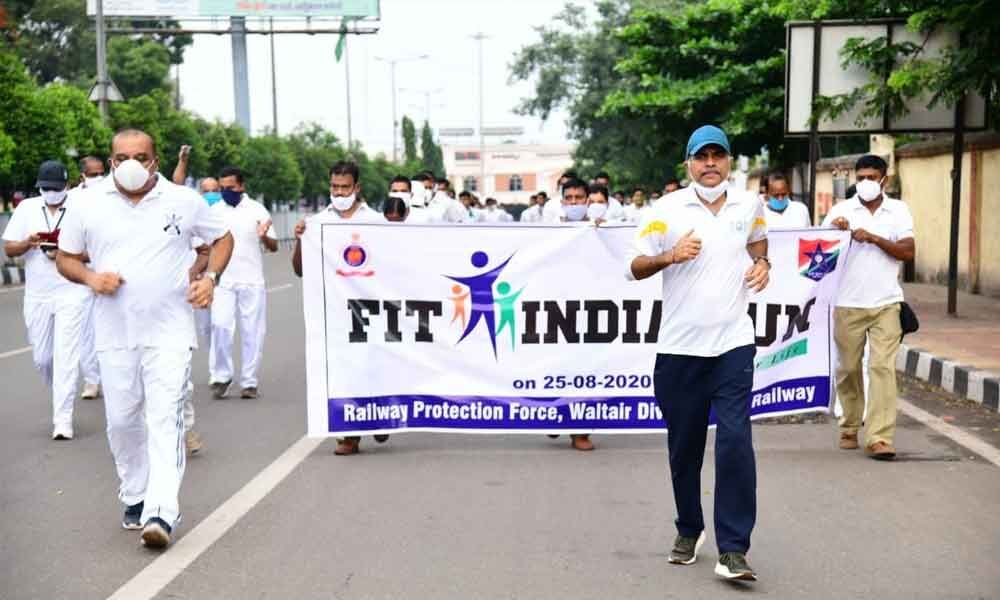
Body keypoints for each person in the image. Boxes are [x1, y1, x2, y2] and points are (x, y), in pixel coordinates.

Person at [56, 128, 234, 549]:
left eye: (140, 156)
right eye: (122, 157)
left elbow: (222, 238)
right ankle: (134, 495)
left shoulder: (182, 200)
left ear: (156, 159)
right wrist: (91, 277)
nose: (131, 164)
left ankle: (161, 510)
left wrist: (210, 277)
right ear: (111, 160)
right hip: (114, 333)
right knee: (121, 420)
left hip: (169, 331)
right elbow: (66, 258)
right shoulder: (86, 203)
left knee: (164, 416)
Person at [625, 125, 769, 581]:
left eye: (718, 156)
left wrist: (763, 264)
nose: (711, 164)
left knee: (734, 443)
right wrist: (670, 256)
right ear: (688, 163)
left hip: (732, 343)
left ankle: (733, 549)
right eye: (701, 156)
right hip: (680, 348)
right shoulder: (666, 211)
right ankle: (689, 528)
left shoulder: (750, 204)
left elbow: (758, 240)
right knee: (684, 448)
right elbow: (634, 266)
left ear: (729, 161)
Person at [822, 155, 915, 461]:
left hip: (886, 303)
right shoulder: (840, 210)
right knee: (848, 368)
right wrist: (835, 233)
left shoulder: (898, 210)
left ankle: (879, 437)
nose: (865, 182)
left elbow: (907, 252)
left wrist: (874, 238)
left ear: (884, 180)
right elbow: (817, 258)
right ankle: (849, 425)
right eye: (860, 177)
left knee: (881, 368)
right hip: (848, 304)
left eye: (871, 177)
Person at [292, 161, 387, 456]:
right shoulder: (317, 222)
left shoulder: (376, 222)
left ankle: (379, 416)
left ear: (357, 188)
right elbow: (299, 270)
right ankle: (348, 435)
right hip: (333, 311)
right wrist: (300, 240)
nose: (339, 192)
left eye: (345, 187)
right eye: (335, 187)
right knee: (341, 370)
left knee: (371, 365)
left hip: (371, 308)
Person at [2, 160, 100, 439]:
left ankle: (63, 420)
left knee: (67, 356)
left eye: (55, 188)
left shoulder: (82, 210)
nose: (50, 193)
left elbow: (95, 251)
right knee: (43, 358)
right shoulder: (26, 208)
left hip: (73, 290)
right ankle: (62, 389)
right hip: (38, 295)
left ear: (66, 186)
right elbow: (10, 249)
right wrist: (29, 243)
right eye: (45, 189)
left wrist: (66, 254)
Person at [207, 167, 277, 401]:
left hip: (252, 280)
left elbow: (274, 246)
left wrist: (263, 235)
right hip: (223, 281)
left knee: (252, 332)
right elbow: (204, 246)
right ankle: (221, 376)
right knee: (220, 325)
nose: (226, 192)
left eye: (231, 188)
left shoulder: (257, 210)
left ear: (242, 186)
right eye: (222, 188)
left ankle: (249, 382)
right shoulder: (214, 211)